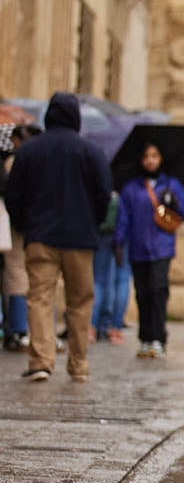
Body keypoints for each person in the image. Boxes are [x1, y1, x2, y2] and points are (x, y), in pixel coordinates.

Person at [4, 93, 111, 382]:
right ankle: (78, 364)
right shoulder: (90, 152)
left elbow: (13, 194)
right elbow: (104, 194)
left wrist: (25, 224)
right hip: (80, 239)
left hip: (41, 236)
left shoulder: (29, 151)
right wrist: (92, 222)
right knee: (79, 301)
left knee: (39, 298)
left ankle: (41, 360)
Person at [114, 142, 184, 359]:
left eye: (155, 155)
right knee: (143, 293)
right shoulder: (131, 188)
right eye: (146, 156)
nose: (150, 160)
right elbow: (124, 217)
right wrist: (118, 241)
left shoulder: (172, 185)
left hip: (162, 246)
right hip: (138, 247)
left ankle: (159, 337)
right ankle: (145, 337)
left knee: (158, 290)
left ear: (161, 158)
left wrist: (174, 203)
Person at [1, 124, 39, 353]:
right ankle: (22, 328)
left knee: (16, 275)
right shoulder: (40, 160)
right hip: (37, 227)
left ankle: (17, 328)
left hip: (18, 227)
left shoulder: (15, 162)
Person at [91, 191, 132, 344]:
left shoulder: (99, 171)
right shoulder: (131, 182)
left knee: (99, 280)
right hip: (125, 231)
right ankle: (115, 328)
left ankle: (92, 326)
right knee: (122, 279)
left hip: (102, 229)